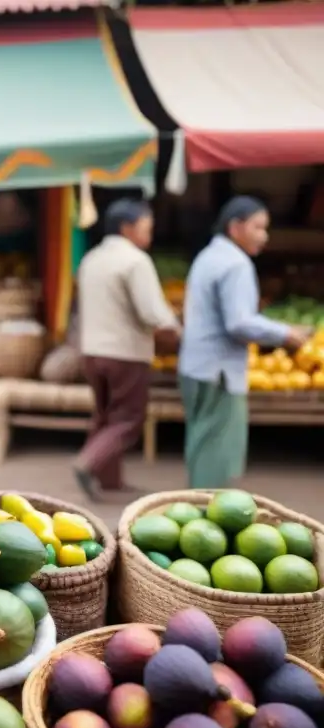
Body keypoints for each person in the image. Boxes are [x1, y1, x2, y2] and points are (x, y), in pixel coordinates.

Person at [179, 196, 310, 489]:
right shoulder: (235, 264)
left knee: (202, 444)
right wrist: (286, 334)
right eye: (258, 227)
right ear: (235, 227)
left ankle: (195, 507)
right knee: (217, 452)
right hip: (219, 372)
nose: (264, 236)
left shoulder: (209, 255)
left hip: (196, 366)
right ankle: (204, 515)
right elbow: (239, 322)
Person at [74, 199, 179, 500]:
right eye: (148, 226)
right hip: (126, 352)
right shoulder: (135, 260)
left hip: (92, 351)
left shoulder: (91, 258)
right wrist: (176, 328)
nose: (150, 233)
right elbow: (152, 313)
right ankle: (87, 462)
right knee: (127, 420)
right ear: (128, 227)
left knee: (105, 416)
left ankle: (110, 481)